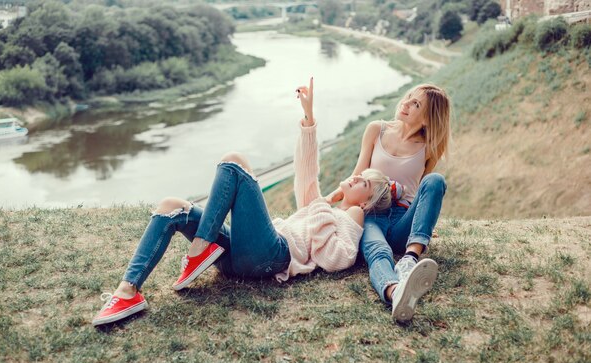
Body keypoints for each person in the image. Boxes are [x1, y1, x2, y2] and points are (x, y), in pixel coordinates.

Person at [92, 78, 393, 326]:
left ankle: (200, 249)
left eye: (363, 182)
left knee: (234, 162)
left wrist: (325, 207)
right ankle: (127, 291)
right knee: (172, 206)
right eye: (360, 176)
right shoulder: (325, 208)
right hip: (241, 256)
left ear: (366, 203)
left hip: (273, 255)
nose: (355, 178)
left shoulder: (352, 214)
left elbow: (339, 259)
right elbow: (306, 172)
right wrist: (309, 118)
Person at [326, 83, 451, 323]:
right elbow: (358, 173)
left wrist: (421, 225)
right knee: (378, 250)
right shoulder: (376, 130)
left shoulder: (429, 148)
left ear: (428, 118)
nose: (405, 104)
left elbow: (425, 190)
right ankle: (396, 293)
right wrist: (330, 198)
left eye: (416, 104)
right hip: (372, 213)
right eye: (408, 98)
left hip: (403, 218)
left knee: (436, 181)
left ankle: (410, 258)